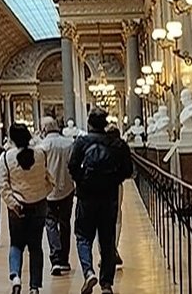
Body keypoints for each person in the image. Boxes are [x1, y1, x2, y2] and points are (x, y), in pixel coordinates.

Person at [70, 109, 135, 294]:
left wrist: (82, 182)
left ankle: (89, 271)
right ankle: (106, 284)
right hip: (109, 197)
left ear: (89, 123)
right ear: (105, 123)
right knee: (107, 240)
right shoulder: (116, 144)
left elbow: (72, 166)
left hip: (86, 197)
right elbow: (128, 170)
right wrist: (114, 180)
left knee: (83, 237)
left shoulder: (81, 143)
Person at [0, 122, 53, 294]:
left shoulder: (6, 157)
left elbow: (2, 184)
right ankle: (34, 287)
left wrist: (13, 203)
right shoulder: (40, 154)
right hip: (39, 204)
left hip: (17, 206)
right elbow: (48, 177)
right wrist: (44, 191)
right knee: (35, 246)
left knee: (16, 244)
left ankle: (16, 277)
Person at [38, 116, 77, 276]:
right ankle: (64, 260)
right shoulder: (69, 143)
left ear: (44, 129)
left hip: (48, 191)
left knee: (50, 222)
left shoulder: (42, 146)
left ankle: (55, 258)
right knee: (65, 223)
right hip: (67, 187)